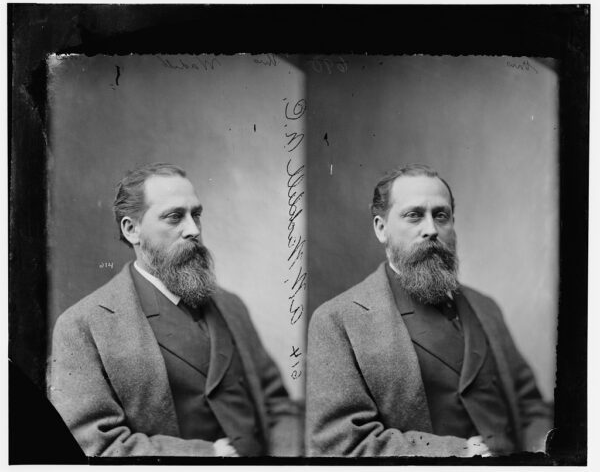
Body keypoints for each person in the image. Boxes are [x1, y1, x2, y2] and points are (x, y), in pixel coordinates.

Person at [48, 162, 301, 457]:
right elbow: (96, 444)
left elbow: (277, 405)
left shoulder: (230, 305)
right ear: (132, 230)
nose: (193, 230)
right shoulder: (84, 325)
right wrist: (208, 455)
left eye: (196, 215)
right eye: (174, 217)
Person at [306, 164, 552, 457]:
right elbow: (341, 444)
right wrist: (458, 453)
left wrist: (543, 448)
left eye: (441, 215)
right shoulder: (338, 320)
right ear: (381, 228)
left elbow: (530, 405)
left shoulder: (485, 307)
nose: (431, 229)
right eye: (414, 216)